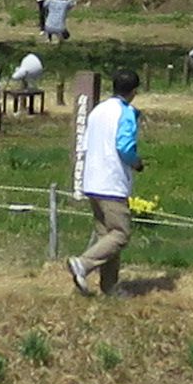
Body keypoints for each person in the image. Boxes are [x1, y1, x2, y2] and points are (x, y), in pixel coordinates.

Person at [67, 66, 141, 297]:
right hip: (112, 182)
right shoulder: (126, 112)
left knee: (106, 236)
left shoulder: (98, 110)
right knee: (120, 234)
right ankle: (84, 263)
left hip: (92, 180)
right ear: (134, 91)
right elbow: (125, 146)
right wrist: (136, 162)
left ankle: (110, 287)